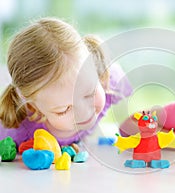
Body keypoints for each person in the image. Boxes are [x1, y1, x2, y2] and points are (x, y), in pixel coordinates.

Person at [0, 17, 132, 147]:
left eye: (90, 94)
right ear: (32, 106)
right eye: (64, 110)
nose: (84, 112)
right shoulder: (17, 133)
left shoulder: (108, 80)